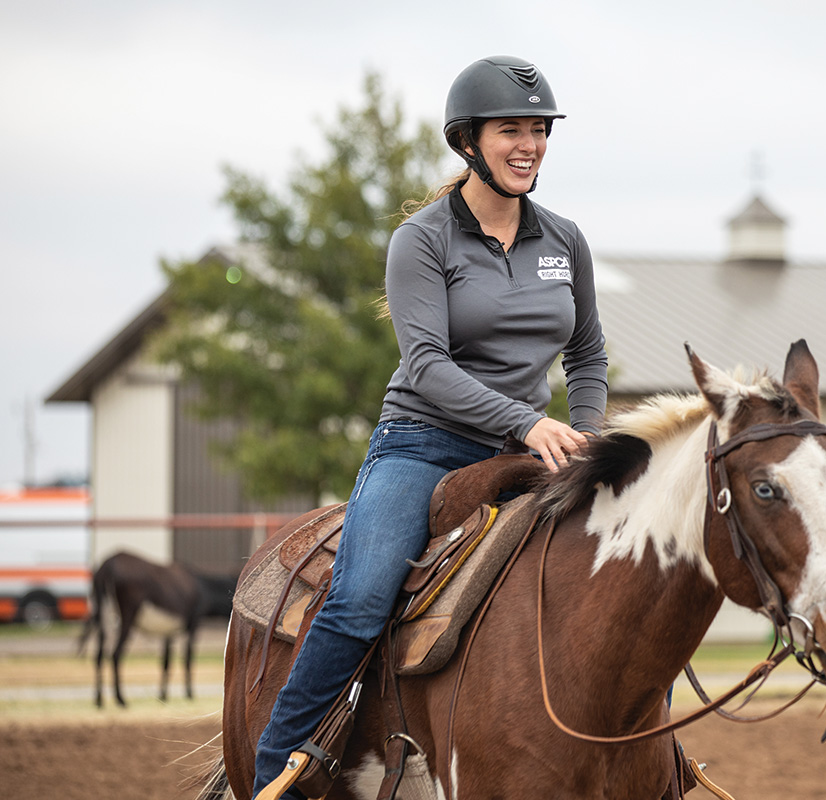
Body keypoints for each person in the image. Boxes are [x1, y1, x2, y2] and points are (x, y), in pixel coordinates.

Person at [252, 55, 608, 798]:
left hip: (536, 448)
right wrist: (528, 421)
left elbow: (587, 353)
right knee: (361, 594)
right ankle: (275, 769)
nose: (529, 145)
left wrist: (590, 437)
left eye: (539, 131)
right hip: (425, 443)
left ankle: (645, 763)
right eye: (511, 129)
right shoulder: (422, 239)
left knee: (615, 582)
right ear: (468, 141)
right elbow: (428, 366)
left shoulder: (565, 241)